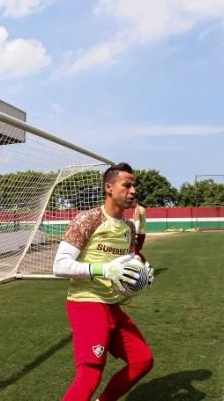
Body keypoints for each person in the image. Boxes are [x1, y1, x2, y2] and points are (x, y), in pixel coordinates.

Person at [52, 163, 154, 401]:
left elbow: (131, 259)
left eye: (134, 185)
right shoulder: (88, 219)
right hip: (86, 303)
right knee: (90, 374)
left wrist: (142, 274)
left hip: (112, 306)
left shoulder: (128, 227)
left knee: (142, 361)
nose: (133, 190)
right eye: (126, 185)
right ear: (109, 187)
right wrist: (103, 269)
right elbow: (60, 266)